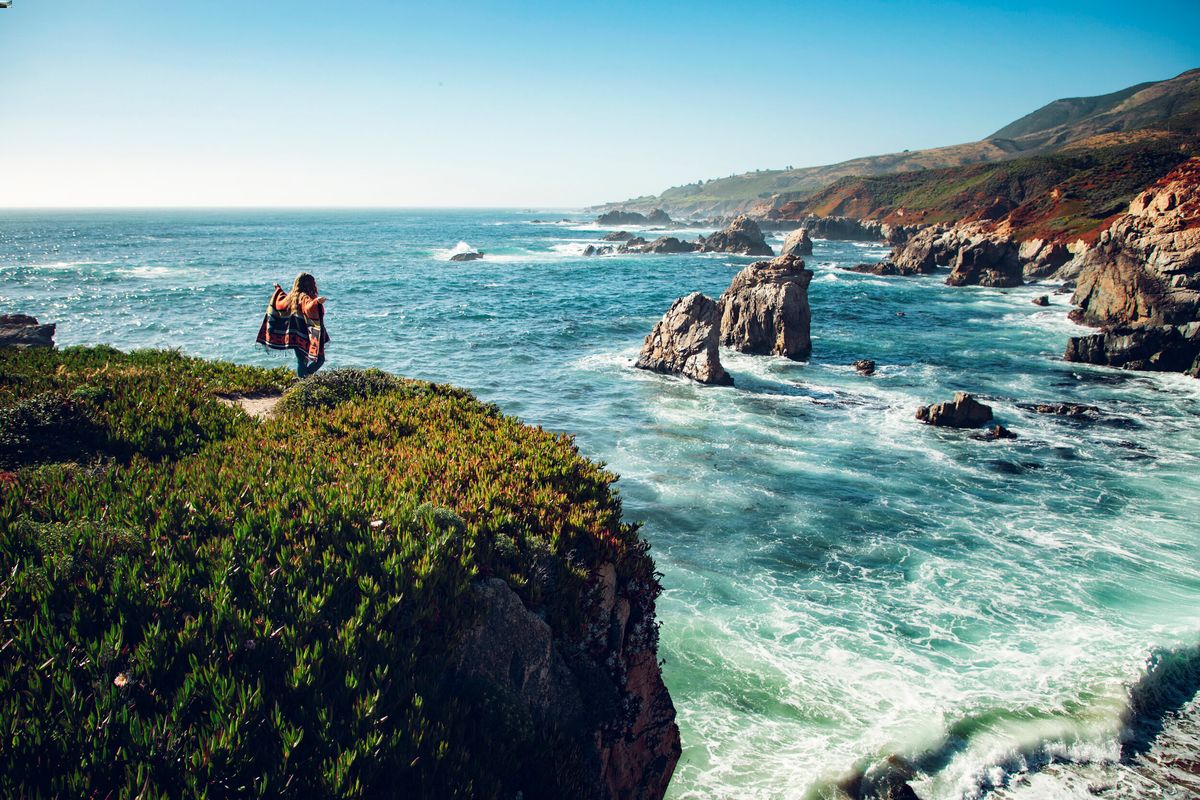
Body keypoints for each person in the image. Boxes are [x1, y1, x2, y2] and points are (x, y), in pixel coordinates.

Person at [255, 272, 329, 378]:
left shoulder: (291, 297)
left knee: (301, 361)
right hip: (306, 335)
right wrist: (316, 302)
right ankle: (305, 379)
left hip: (295, 337)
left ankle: (303, 380)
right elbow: (308, 307)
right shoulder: (303, 297)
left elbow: (280, 303)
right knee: (320, 359)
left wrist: (278, 290)